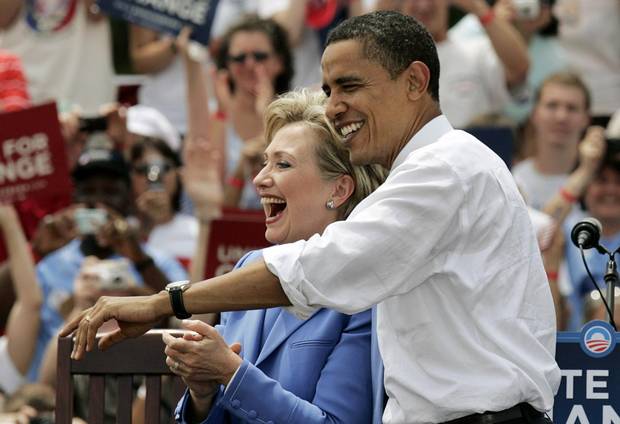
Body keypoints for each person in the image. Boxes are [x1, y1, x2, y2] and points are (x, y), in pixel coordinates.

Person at [63, 11, 560, 423]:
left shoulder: (444, 169)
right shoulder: (436, 168)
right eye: (327, 88)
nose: (335, 106)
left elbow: (321, 269)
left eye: (349, 86)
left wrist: (165, 304)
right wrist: (205, 388)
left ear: (415, 81)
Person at [165, 89, 385, 423]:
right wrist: (202, 393)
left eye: (282, 164)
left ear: (338, 190)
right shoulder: (251, 266)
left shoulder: (363, 290)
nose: (259, 179)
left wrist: (231, 373)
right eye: (264, 162)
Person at [397, 0, 531, 128]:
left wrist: (480, 10)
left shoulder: (476, 51)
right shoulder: (388, 60)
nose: (423, 5)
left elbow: (519, 69)